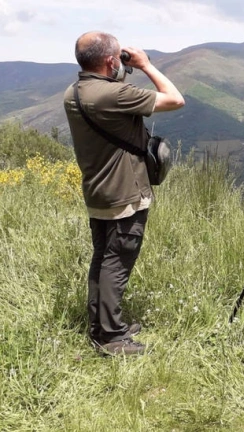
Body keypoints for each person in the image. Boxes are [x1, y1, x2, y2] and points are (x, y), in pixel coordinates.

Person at [63, 31, 185, 356]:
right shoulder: (114, 95)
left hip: (97, 192)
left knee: (103, 259)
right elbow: (175, 99)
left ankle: (100, 326)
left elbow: (112, 94)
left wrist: (120, 69)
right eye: (119, 57)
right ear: (110, 60)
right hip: (124, 195)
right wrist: (145, 65)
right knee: (117, 263)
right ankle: (112, 338)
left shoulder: (74, 92)